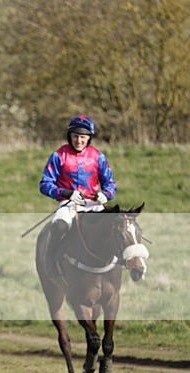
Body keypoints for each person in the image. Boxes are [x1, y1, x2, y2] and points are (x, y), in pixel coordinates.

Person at [39, 115, 117, 275]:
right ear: (70, 136)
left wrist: (106, 195)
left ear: (89, 138)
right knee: (59, 226)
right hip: (68, 205)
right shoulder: (58, 156)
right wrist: (66, 193)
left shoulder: (98, 157)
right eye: (75, 136)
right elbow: (44, 184)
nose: (78, 140)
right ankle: (50, 261)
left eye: (82, 137)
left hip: (93, 205)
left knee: (115, 227)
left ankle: (118, 264)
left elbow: (110, 184)